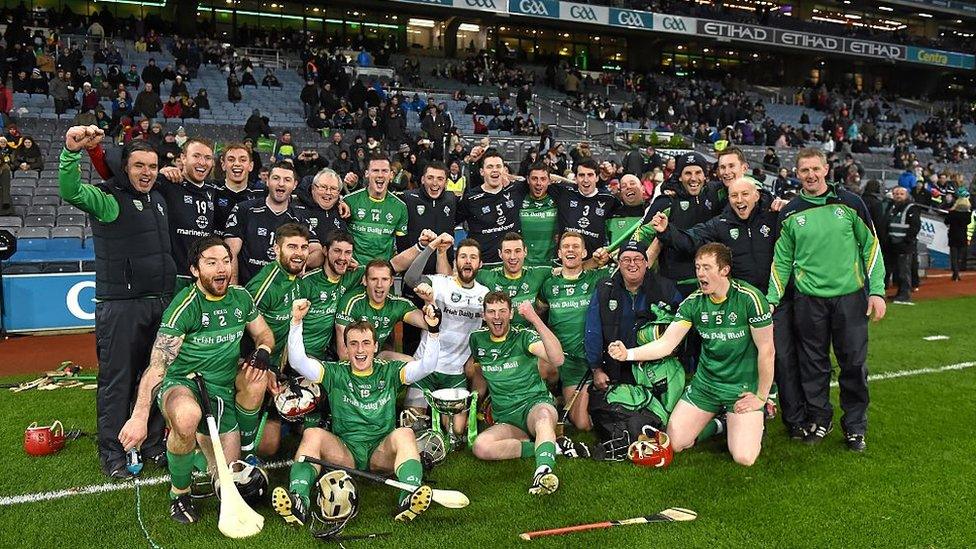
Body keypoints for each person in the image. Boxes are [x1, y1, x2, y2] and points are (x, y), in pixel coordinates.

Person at [118, 237, 274, 523]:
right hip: (184, 383)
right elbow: (157, 367)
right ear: (194, 269)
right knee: (188, 416)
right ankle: (180, 492)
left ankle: (230, 455)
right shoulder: (185, 307)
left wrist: (263, 351)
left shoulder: (240, 298)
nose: (221, 269)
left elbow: (264, 334)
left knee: (230, 479)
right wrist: (139, 417)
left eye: (226, 261)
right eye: (211, 263)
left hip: (222, 387)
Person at [59, 126, 176, 478]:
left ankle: (153, 444)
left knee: (155, 376)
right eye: (139, 165)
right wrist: (70, 153)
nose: (147, 172)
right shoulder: (107, 199)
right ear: (125, 167)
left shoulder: (157, 198)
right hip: (121, 306)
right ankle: (112, 454)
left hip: (159, 302)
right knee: (118, 380)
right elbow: (70, 190)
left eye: (152, 166)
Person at [277, 300, 443, 524]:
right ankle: (299, 501)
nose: (360, 349)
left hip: (380, 451)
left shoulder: (390, 371)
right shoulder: (335, 372)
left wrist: (433, 332)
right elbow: (298, 361)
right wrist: (296, 322)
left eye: (366, 343)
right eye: (353, 344)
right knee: (312, 434)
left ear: (375, 346)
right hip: (346, 452)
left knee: (405, 434)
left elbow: (427, 366)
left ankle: (410, 495)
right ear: (345, 348)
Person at [609, 243, 774, 466]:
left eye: (707, 268)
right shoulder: (693, 303)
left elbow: (767, 350)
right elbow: (667, 344)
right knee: (675, 443)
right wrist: (627, 354)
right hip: (705, 387)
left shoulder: (749, 299)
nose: (700, 274)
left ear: (724, 270)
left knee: (744, 458)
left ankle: (749, 418)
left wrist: (761, 396)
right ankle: (720, 424)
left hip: (741, 389)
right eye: (698, 268)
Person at [767, 148, 886, 452]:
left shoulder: (850, 202)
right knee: (813, 366)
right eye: (804, 170)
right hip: (809, 301)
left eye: (815, 169)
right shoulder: (790, 212)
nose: (810, 175)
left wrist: (876, 291)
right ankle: (821, 419)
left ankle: (856, 427)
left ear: (826, 168)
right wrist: (772, 298)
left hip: (850, 298)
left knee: (854, 365)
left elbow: (871, 248)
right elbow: (781, 261)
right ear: (797, 173)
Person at [468, 292, 566, 494]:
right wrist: (474, 404)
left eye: (502, 311)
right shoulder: (477, 340)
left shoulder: (523, 336)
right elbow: (479, 374)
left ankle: (543, 471)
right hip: (506, 417)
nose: (497, 316)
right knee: (481, 447)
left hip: (534, 404)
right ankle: (552, 447)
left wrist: (535, 319)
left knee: (544, 417)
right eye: (492, 312)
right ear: (484, 315)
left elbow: (558, 359)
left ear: (510, 314)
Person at [585, 240, 682, 389]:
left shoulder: (666, 289)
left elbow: (680, 333)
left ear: (646, 262)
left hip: (656, 369)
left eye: (637, 259)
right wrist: (596, 369)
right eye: (626, 259)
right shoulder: (605, 289)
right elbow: (593, 332)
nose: (632, 264)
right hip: (615, 370)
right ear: (619, 263)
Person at [538, 232, 610, 430]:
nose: (571, 250)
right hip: (557, 357)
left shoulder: (598, 278)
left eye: (576, 246)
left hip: (581, 362)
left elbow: (632, 267)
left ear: (585, 252)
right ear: (559, 253)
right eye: (566, 247)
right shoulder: (548, 284)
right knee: (542, 366)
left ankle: (572, 399)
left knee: (583, 424)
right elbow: (541, 310)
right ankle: (549, 399)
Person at [224, 162, 323, 285]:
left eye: (287, 180)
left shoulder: (299, 219)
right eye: (276, 178)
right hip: (247, 290)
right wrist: (234, 290)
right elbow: (229, 253)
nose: (281, 183)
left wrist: (303, 261)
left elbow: (318, 253)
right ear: (267, 181)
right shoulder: (245, 210)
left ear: (294, 185)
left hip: (282, 294)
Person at [637, 152, 721, 296]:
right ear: (680, 176)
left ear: (705, 176)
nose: (693, 178)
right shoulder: (667, 201)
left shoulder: (715, 195)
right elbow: (642, 235)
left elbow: (742, 185)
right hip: (673, 285)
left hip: (710, 281)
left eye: (698, 172)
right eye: (688, 173)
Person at [154, 139, 218, 292]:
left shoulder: (213, 191)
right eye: (196, 156)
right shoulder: (167, 183)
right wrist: (159, 172)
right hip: (172, 278)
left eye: (208, 158)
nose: (202, 162)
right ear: (183, 158)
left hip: (201, 278)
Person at [456, 149, 525, 265]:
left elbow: (543, 177)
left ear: (504, 170)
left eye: (498, 166)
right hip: (483, 266)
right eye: (490, 167)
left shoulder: (516, 190)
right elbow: (452, 220)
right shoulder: (471, 198)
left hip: (511, 264)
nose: (494, 170)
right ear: (482, 172)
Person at [476, 233, 552, 328]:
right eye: (507, 252)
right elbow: (460, 278)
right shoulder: (487, 276)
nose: (513, 257)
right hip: (498, 336)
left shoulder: (538, 274)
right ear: (500, 254)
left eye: (517, 251)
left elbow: (565, 271)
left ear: (525, 252)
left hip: (528, 339)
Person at [342, 155, 409, 264]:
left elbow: (402, 245)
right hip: (354, 270)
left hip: (382, 272)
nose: (380, 175)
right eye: (375, 171)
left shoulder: (400, 207)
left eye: (384, 171)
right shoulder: (349, 201)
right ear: (367, 174)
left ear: (391, 175)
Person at [214, 142, 262, 231]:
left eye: (243, 160)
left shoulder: (261, 195)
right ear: (223, 165)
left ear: (251, 166)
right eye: (231, 160)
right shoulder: (211, 189)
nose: (237, 164)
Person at [519, 162, 558, 267]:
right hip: (525, 266)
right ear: (527, 180)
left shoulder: (558, 200)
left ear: (549, 181)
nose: (538, 183)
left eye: (543, 179)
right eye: (534, 178)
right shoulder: (518, 199)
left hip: (551, 264)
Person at [885, 187, 921, 304]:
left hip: (904, 245)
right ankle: (900, 293)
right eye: (896, 194)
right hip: (893, 245)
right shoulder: (892, 207)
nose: (898, 196)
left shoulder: (911, 208)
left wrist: (906, 240)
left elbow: (915, 226)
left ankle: (905, 295)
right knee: (898, 271)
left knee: (904, 271)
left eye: (901, 194)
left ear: (906, 195)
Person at [299, 168, 347, 238]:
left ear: (339, 192)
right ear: (313, 188)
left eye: (333, 188)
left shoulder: (344, 212)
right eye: (323, 187)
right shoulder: (296, 210)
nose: (328, 192)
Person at [945, 194, 970, 281]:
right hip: (962, 236)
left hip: (953, 235)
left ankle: (955, 273)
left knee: (954, 256)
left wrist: (951, 211)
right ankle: (957, 272)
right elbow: (968, 222)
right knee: (959, 256)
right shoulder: (967, 214)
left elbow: (946, 221)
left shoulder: (952, 213)